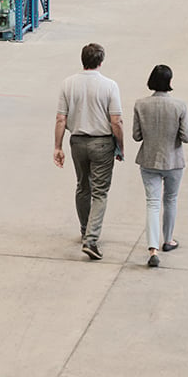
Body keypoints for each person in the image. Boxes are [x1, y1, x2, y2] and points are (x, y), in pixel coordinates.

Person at [54, 43, 124, 260]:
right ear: (101, 62)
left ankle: (85, 229)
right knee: (100, 192)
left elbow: (60, 118)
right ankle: (91, 240)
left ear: (82, 60)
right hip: (102, 143)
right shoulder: (109, 86)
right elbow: (116, 121)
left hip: (77, 142)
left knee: (82, 186)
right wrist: (120, 146)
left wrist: (58, 146)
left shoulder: (68, 84)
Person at [133, 64, 188, 268]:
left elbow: (136, 135)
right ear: (169, 81)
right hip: (173, 161)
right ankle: (168, 240)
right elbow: (187, 137)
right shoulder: (179, 106)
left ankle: (152, 249)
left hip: (149, 160)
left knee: (152, 203)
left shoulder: (140, 105)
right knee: (171, 199)